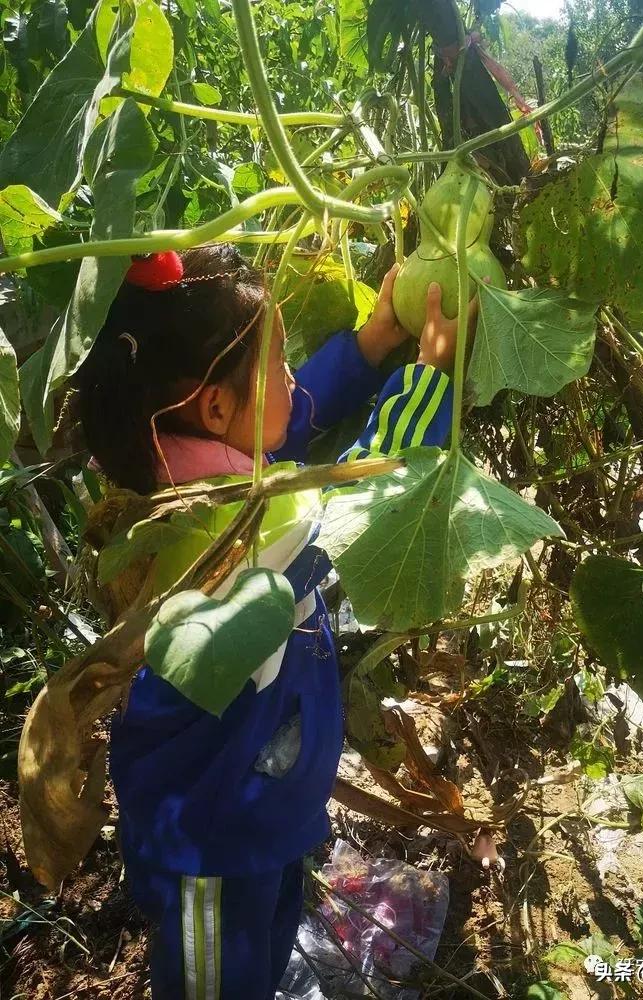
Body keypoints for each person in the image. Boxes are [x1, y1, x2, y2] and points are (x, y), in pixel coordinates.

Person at [74, 243, 471, 1000]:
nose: (292, 377)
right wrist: (426, 377)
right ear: (217, 408)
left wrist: (369, 345)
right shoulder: (237, 544)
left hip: (259, 811)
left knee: (270, 925)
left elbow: (280, 424)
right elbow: (363, 500)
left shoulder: (179, 468)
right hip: (209, 846)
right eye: (281, 362)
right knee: (213, 978)